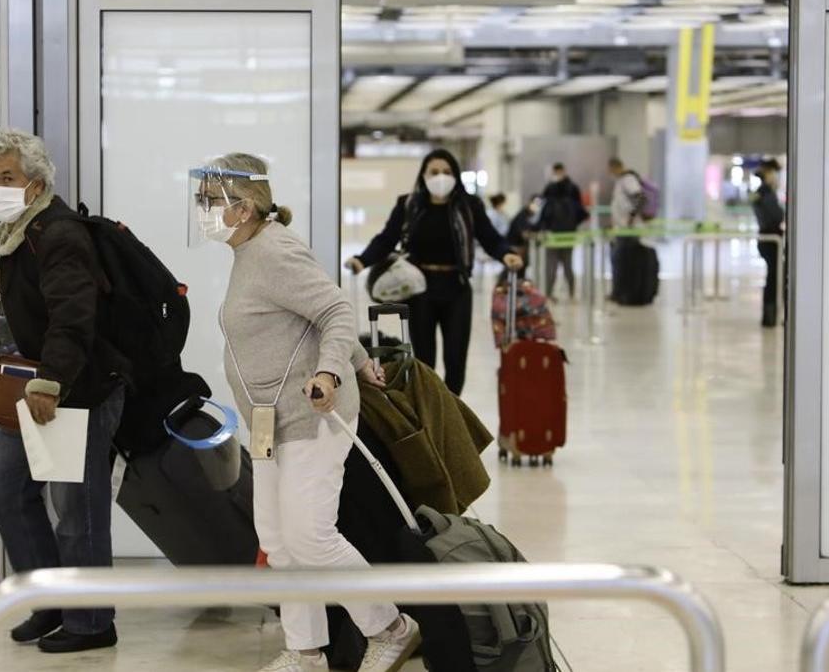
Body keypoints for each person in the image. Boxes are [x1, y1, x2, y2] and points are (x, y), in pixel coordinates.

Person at [196, 153, 421, 672]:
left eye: (212, 200)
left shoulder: (273, 251)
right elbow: (319, 305)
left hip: (311, 415)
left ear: (246, 208)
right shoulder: (250, 252)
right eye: (202, 199)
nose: (204, 209)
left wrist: (333, 372)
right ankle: (306, 651)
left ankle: (391, 627)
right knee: (277, 540)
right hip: (266, 420)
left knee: (310, 536)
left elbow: (336, 309)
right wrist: (360, 358)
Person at [0, 127, 128, 654]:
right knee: (4, 489)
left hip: (71, 390)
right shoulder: (20, 231)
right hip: (32, 387)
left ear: (36, 183)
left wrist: (52, 381)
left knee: (77, 506)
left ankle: (90, 621)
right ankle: (51, 600)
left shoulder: (56, 233)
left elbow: (73, 316)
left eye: (8, 177)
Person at [344, 149, 524, 395]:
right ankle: (430, 409)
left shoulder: (469, 206)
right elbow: (386, 239)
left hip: (457, 288)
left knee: (456, 358)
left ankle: (451, 411)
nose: (441, 176)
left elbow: (490, 238)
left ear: (456, 175)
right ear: (424, 175)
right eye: (435, 172)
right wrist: (361, 260)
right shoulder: (409, 205)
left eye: (447, 172)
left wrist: (506, 254)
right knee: (424, 360)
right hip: (419, 291)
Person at [538, 163, 589, 301]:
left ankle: (548, 294)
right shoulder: (573, 188)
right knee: (567, 265)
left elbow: (543, 211)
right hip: (569, 233)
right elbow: (581, 212)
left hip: (552, 234)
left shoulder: (550, 188)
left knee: (551, 266)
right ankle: (572, 294)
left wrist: (543, 228)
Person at [751, 158, 785, 327]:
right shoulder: (767, 193)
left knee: (772, 277)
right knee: (774, 278)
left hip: (767, 239)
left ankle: (769, 316)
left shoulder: (760, 192)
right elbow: (777, 216)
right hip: (771, 240)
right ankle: (770, 317)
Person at [607, 157, 645, 302]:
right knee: (619, 261)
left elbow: (641, 198)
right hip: (620, 229)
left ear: (615, 167)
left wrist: (631, 218)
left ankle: (623, 293)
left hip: (628, 230)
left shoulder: (628, 179)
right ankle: (619, 292)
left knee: (622, 261)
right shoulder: (620, 181)